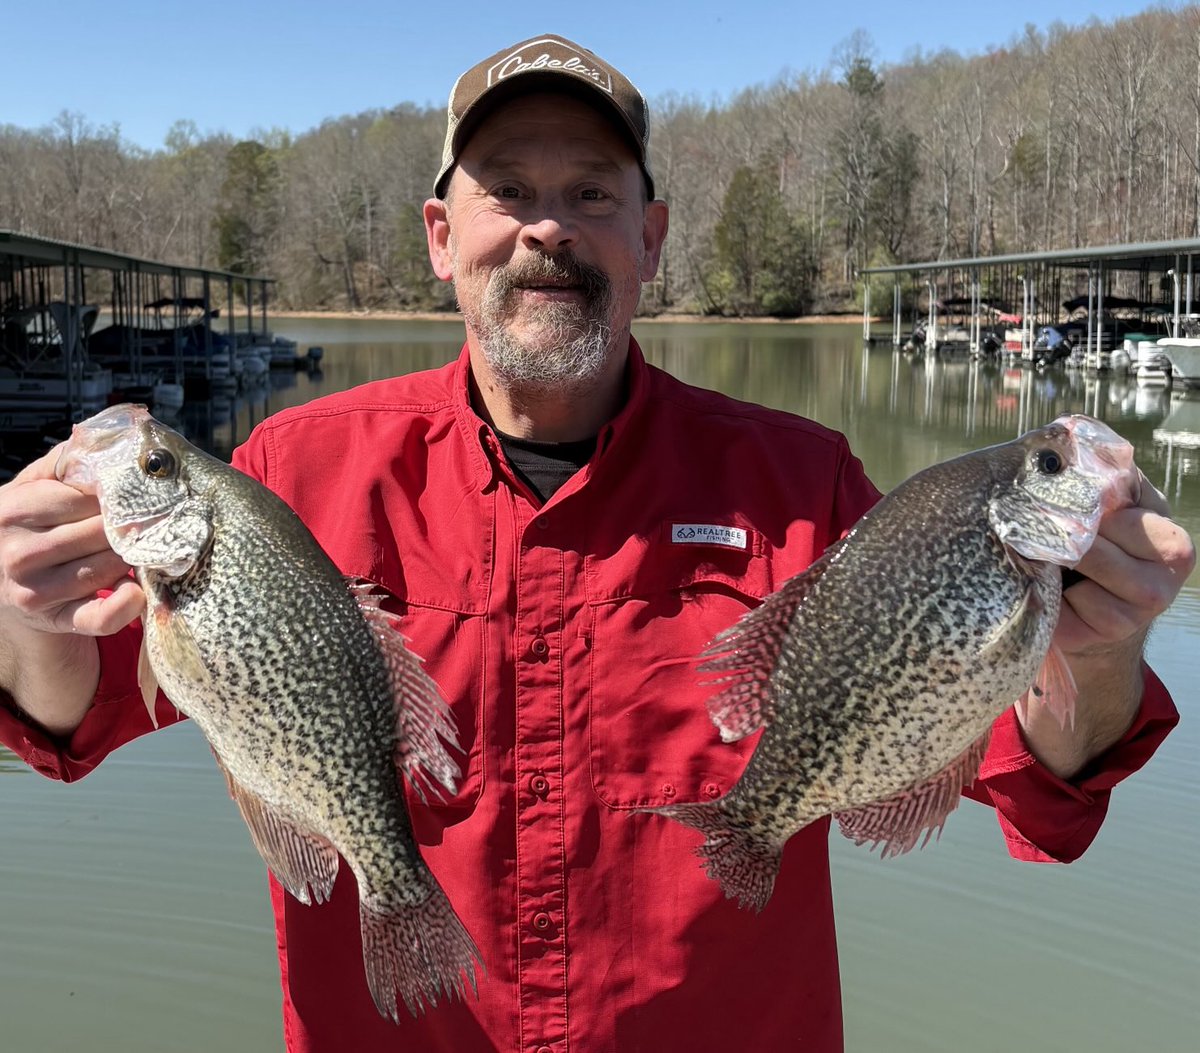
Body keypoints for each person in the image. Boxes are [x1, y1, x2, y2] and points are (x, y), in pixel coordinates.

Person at [0, 32, 1192, 1053]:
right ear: (438, 233)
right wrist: (25, 607)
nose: (547, 231)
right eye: (507, 190)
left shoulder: (803, 482)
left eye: (593, 195)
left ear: (651, 237)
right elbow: (73, 718)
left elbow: (1034, 783)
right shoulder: (288, 475)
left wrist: (1097, 649)